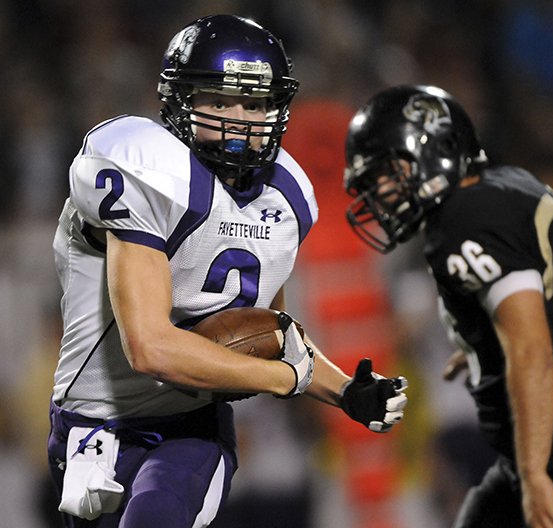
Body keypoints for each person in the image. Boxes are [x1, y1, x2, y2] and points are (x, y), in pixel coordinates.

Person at [48, 15, 407, 528]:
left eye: (255, 103)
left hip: (188, 429)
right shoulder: (143, 167)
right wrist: (283, 380)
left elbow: (269, 331)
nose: (240, 118)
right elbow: (150, 346)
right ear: (180, 101)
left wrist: (344, 390)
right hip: (91, 426)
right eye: (220, 100)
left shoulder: (286, 198)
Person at [342, 84, 553, 528]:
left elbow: (531, 350)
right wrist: (483, 346)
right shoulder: (502, 186)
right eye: (373, 183)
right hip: (551, 444)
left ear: (438, 149)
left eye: (390, 172)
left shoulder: (468, 217)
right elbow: (546, 305)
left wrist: (534, 473)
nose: (383, 193)